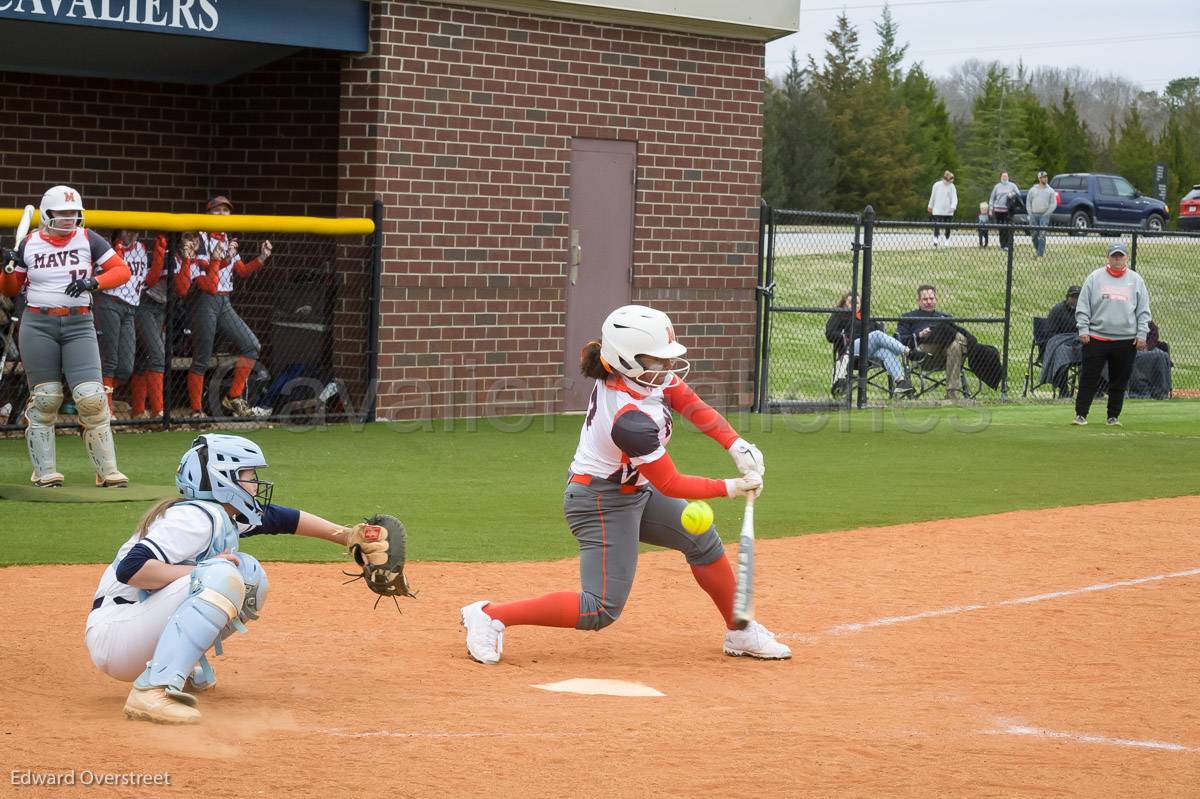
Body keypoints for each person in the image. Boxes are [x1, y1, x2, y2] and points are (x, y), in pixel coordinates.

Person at [459, 305, 789, 665]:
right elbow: (672, 482)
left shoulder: (645, 378)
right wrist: (731, 487)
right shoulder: (628, 419)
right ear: (628, 360)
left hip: (636, 492)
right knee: (599, 608)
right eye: (655, 359)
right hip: (600, 501)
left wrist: (735, 444)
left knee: (702, 540)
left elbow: (691, 404)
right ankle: (490, 615)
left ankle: (740, 630)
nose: (665, 368)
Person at [85, 434, 356, 724]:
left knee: (249, 575)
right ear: (223, 480)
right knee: (220, 575)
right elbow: (132, 568)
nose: (256, 484)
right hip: (116, 634)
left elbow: (282, 519)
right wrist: (202, 572)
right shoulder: (193, 518)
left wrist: (348, 537)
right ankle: (152, 690)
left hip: (134, 631)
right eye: (249, 476)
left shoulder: (218, 515)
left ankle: (177, 667)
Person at [0, 185, 132, 487]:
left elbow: (121, 270)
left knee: (91, 398)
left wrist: (92, 282)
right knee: (46, 399)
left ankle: (107, 470)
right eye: (63, 214)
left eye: (74, 213)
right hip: (38, 324)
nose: (70, 219)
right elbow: (9, 289)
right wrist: (8, 267)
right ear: (47, 215)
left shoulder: (89, 239)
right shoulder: (30, 243)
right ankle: (44, 471)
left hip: (78, 324)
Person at [178, 195, 272, 418]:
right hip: (203, 300)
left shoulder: (226, 236)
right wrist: (224, 259)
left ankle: (233, 397)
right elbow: (205, 278)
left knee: (251, 345)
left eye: (226, 211)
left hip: (224, 301)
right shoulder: (199, 236)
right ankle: (196, 411)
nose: (222, 215)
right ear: (208, 214)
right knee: (202, 356)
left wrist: (261, 258)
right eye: (217, 211)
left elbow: (241, 271)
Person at [1073, 241, 1151, 426]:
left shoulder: (1136, 280)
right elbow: (1083, 306)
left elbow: (1143, 310)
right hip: (1097, 337)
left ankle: (1113, 416)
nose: (1117, 259)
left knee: (1119, 380)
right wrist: (1083, 329)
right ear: (1108, 257)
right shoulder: (1094, 278)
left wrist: (1142, 334)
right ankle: (1081, 414)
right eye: (1114, 256)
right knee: (1089, 378)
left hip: (1125, 339)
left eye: (1120, 256)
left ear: (1126, 258)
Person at [95, 230, 166, 413]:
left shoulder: (141, 248)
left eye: (135, 232)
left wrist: (158, 256)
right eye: (128, 231)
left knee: (126, 367)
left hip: (130, 307)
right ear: (118, 232)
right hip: (109, 303)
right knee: (109, 361)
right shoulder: (107, 249)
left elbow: (148, 281)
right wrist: (116, 258)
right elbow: (98, 278)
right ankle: (106, 410)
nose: (132, 235)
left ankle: (97, 395)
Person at [130, 233, 193, 420]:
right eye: (188, 241)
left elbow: (182, 290)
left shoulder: (187, 259)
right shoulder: (167, 256)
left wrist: (188, 261)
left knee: (143, 357)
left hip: (161, 307)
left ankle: (138, 412)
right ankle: (159, 412)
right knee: (158, 354)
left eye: (195, 241)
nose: (192, 244)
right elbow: (162, 280)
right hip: (144, 304)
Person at [825, 292, 921, 397]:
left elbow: (881, 337)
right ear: (844, 304)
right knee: (877, 335)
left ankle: (901, 382)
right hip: (851, 351)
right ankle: (908, 352)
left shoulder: (866, 317)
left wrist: (879, 327)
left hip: (869, 354)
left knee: (885, 351)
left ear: (861, 304)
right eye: (850, 302)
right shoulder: (839, 316)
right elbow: (829, 334)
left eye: (856, 303)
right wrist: (843, 337)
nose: (854, 305)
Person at [896, 284, 970, 400]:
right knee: (959, 339)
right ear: (918, 301)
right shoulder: (908, 317)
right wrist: (919, 335)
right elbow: (900, 341)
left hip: (947, 357)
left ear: (936, 300)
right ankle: (970, 345)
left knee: (956, 344)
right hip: (923, 355)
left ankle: (951, 394)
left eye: (931, 298)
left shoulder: (945, 317)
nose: (929, 302)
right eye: (925, 299)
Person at [1038, 285, 1082, 398]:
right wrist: (1067, 339)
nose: (1075, 300)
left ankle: (1092, 389)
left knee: (1094, 350)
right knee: (1061, 353)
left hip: (1078, 345)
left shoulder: (1084, 311)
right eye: (1073, 297)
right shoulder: (1057, 310)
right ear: (1067, 297)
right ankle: (1063, 390)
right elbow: (1049, 334)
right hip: (1060, 344)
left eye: (1078, 297)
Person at [1026, 170, 1057, 260]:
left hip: (1045, 216)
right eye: (1043, 177)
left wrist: (1047, 213)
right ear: (1039, 179)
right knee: (1034, 235)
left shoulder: (1050, 191)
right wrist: (1030, 213)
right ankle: (1037, 251)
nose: (1045, 178)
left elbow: (1053, 204)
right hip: (1033, 215)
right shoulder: (1032, 190)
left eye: (1046, 177)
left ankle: (1040, 255)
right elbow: (1028, 202)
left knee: (1042, 234)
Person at [989, 171, 1020, 251]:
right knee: (1001, 228)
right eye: (1003, 176)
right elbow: (992, 198)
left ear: (1008, 177)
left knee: (1008, 228)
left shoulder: (1012, 185)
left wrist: (1012, 194)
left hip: (1008, 210)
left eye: (1006, 176)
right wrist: (990, 209)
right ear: (1000, 177)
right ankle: (1002, 245)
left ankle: (1009, 245)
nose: (1004, 177)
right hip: (998, 210)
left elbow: (1018, 195)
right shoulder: (997, 186)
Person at [927, 170, 958, 248]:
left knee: (948, 226)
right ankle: (935, 239)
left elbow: (954, 198)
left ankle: (947, 240)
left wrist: (953, 206)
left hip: (948, 211)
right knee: (937, 225)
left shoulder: (952, 186)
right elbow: (932, 196)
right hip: (937, 209)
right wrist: (930, 206)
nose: (948, 182)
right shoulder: (936, 185)